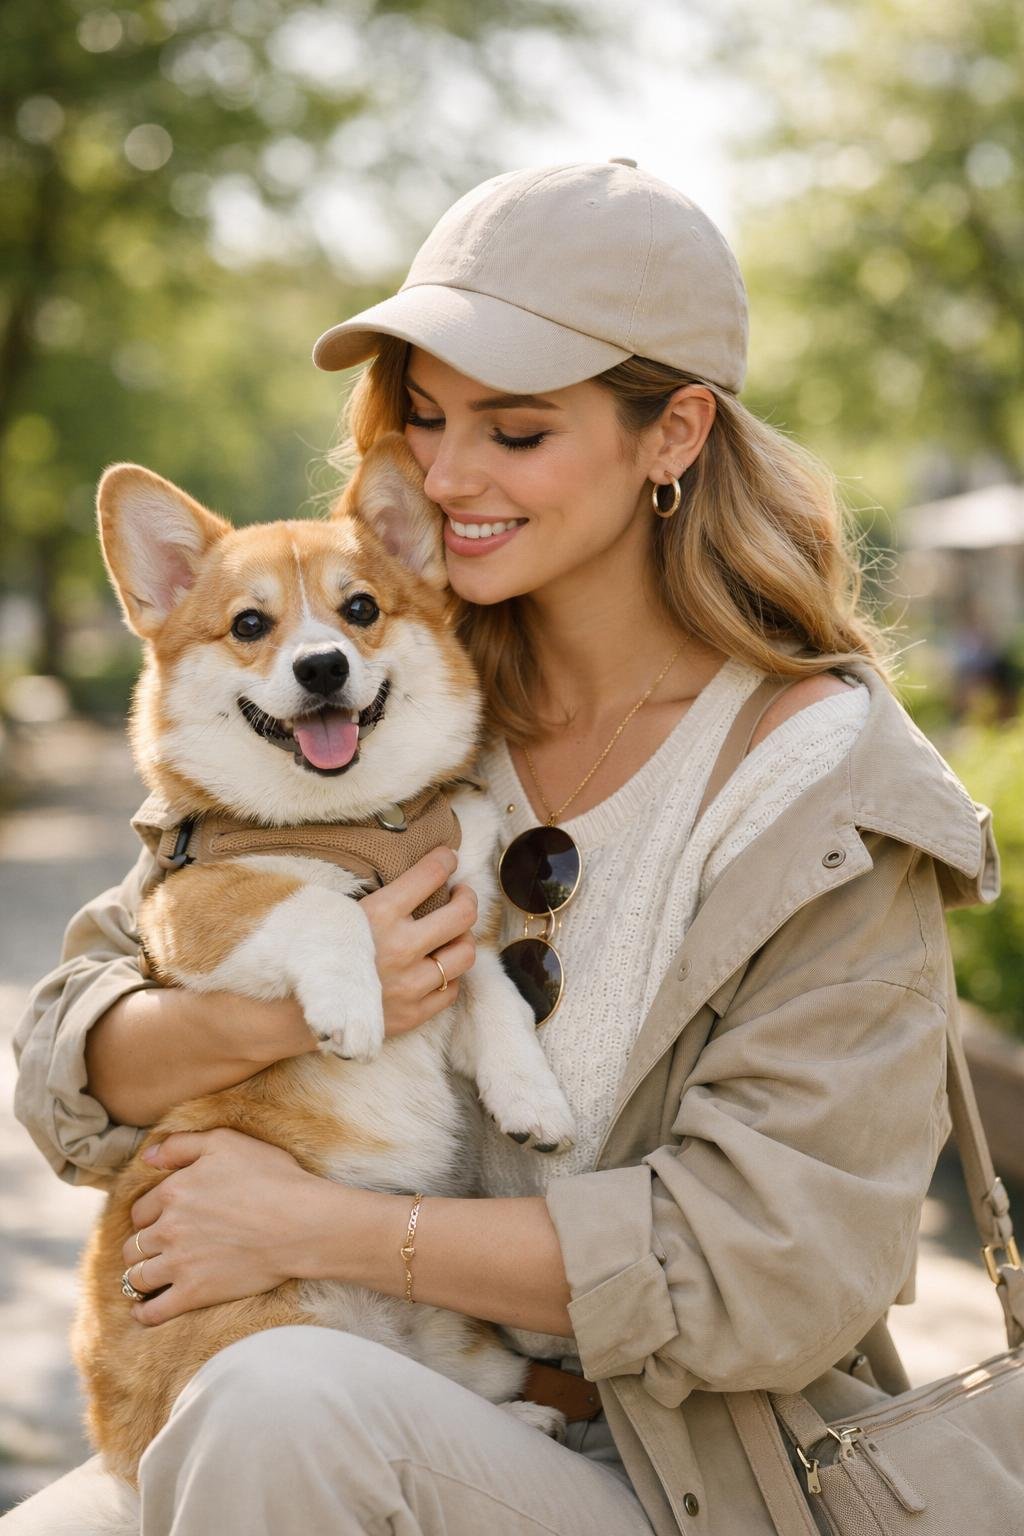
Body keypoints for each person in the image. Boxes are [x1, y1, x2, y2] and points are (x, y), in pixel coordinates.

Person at [7, 159, 1000, 1535]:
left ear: (674, 433)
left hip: (670, 1475)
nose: (448, 473)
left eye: (516, 433)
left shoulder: (825, 791)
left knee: (276, 1410)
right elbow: (72, 1048)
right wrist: (258, 1020)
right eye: (423, 419)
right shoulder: (376, 689)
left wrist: (322, 1234)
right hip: (332, 1384)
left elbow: (768, 1274)